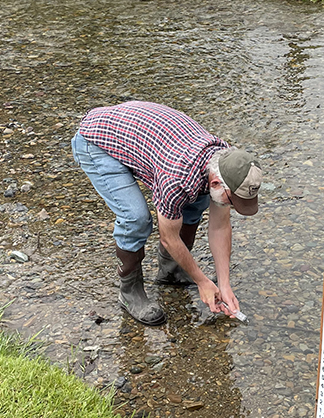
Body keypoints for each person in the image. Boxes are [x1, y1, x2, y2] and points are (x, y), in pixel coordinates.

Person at [71, 101, 263, 326]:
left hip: (146, 138)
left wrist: (224, 284)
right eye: (233, 200)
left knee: (197, 202)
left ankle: (171, 272)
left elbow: (220, 227)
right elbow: (168, 237)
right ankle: (129, 292)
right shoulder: (176, 179)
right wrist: (201, 281)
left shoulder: (229, 164)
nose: (233, 206)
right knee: (136, 218)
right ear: (216, 181)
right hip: (98, 142)